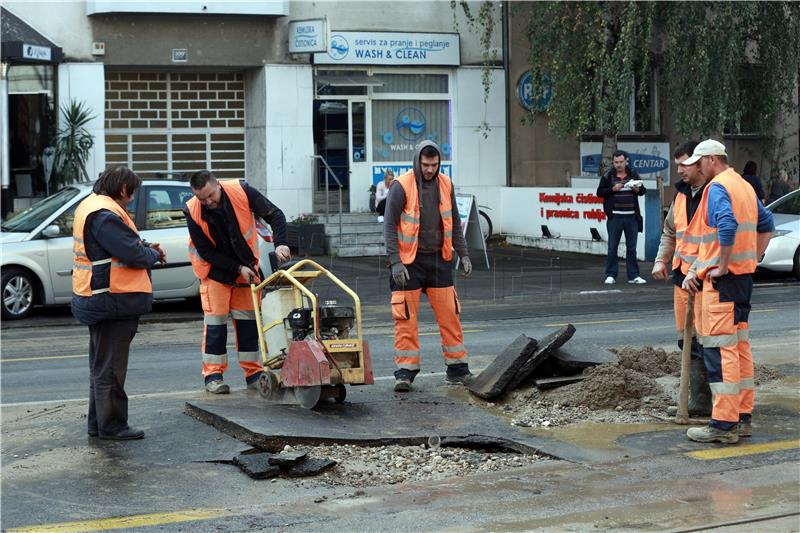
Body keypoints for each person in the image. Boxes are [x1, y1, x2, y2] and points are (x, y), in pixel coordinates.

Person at [680, 139, 774, 444]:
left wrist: (720, 265)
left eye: (698, 162)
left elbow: (726, 225)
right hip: (742, 280)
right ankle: (742, 417)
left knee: (720, 353)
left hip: (723, 283)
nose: (696, 167)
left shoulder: (718, 187)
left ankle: (723, 425)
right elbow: (766, 223)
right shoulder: (744, 186)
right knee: (739, 350)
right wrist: (752, 259)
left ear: (710, 161)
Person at [72, 167, 166, 440]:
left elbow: (123, 245)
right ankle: (112, 425)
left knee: (101, 367)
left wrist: (145, 247)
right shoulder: (105, 215)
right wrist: (151, 253)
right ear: (123, 189)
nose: (132, 199)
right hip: (112, 300)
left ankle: (98, 424)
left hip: (100, 297)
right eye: (132, 192)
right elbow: (133, 253)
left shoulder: (93, 207)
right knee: (111, 368)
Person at [184, 171, 291, 394]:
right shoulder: (192, 209)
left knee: (248, 323)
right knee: (215, 324)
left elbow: (276, 215)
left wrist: (281, 244)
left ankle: (253, 373)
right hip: (214, 272)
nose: (207, 202)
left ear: (218, 186)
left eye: (210, 196)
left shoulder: (241, 191)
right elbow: (206, 251)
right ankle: (213, 376)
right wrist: (237, 269)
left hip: (246, 268)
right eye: (201, 198)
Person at [384, 141, 473, 392]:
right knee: (405, 319)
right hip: (408, 263)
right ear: (417, 161)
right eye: (425, 165)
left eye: (434, 165)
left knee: (449, 315)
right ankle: (405, 372)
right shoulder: (401, 186)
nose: (430, 170)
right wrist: (395, 262)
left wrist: (463, 254)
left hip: (438, 260)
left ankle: (457, 369)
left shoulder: (446, 184)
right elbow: (389, 226)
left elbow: (453, 219)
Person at [652, 140, 711, 417]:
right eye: (677, 165)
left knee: (705, 343)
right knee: (685, 340)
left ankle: (703, 402)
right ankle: (693, 400)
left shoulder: (714, 194)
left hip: (705, 280)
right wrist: (661, 260)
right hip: (681, 279)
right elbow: (670, 232)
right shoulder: (681, 196)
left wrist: (695, 270)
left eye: (684, 164)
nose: (680, 171)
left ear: (700, 162)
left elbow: (716, 240)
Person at [596, 150, 647, 285]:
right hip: (615, 217)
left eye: (621, 162)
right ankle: (611, 274)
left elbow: (643, 191)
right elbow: (599, 192)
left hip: (631, 217)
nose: (618, 165)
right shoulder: (608, 176)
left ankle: (634, 275)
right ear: (613, 162)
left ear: (626, 162)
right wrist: (613, 189)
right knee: (612, 247)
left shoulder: (633, 174)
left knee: (632, 248)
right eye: (616, 162)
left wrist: (637, 189)